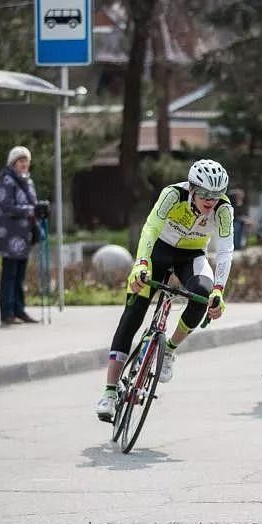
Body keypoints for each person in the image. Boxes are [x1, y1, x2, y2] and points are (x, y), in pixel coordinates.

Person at [93, 159, 232, 422]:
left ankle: (168, 349)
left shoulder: (223, 210)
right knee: (133, 315)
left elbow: (225, 250)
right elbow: (150, 228)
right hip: (158, 251)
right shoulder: (173, 194)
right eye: (204, 194)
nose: (210, 201)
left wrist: (219, 290)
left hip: (191, 256)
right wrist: (141, 263)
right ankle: (109, 392)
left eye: (216, 195)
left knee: (202, 294)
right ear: (192, 188)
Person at [0, 146, 41, 325]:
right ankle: (7, 312)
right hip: (9, 235)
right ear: (13, 163)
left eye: (26, 161)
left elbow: (33, 204)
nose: (24, 164)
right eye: (20, 161)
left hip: (24, 235)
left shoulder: (28, 181)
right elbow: (6, 206)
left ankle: (19, 310)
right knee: (10, 275)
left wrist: (39, 210)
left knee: (20, 276)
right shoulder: (7, 180)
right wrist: (31, 210)